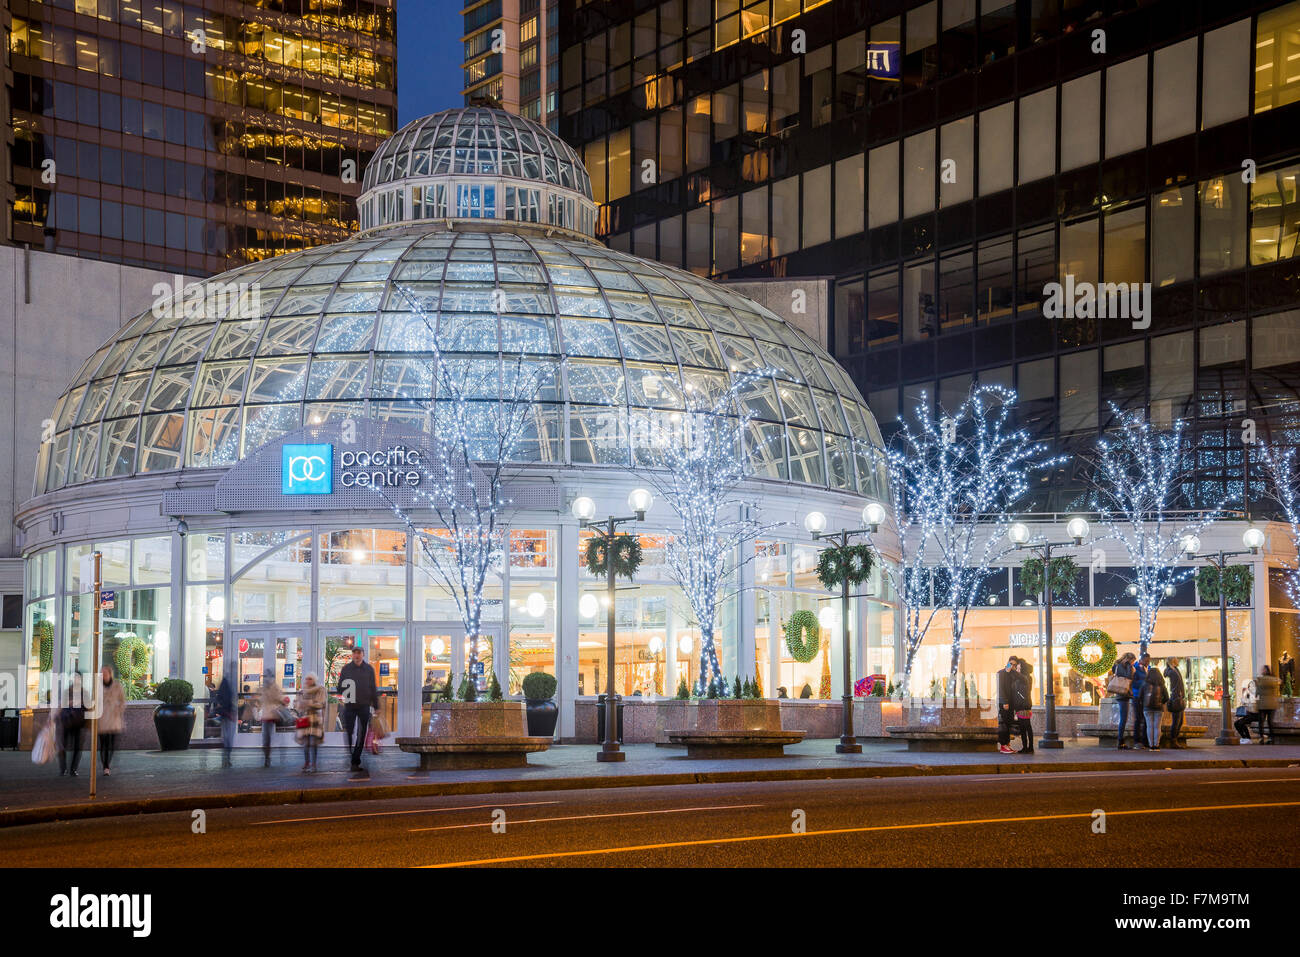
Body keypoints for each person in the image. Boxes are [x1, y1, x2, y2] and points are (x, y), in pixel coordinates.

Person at [337, 645, 378, 773]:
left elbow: (373, 688)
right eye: (354, 653)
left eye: (359, 653)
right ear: (352, 655)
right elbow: (340, 687)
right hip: (350, 705)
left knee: (361, 733)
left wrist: (376, 706)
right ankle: (352, 755)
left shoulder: (369, 669)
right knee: (349, 732)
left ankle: (356, 759)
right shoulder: (346, 669)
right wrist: (344, 693)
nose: (356, 655)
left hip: (364, 706)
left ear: (363, 654)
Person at [257, 669, 290, 768]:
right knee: (267, 737)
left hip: (273, 714)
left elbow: (279, 699)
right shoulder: (265, 688)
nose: (267, 679)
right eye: (265, 677)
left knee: (268, 737)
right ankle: (268, 756)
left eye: (268, 677)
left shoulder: (272, 688)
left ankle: (270, 756)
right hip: (269, 715)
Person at [98, 665, 125, 774]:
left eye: (105, 673)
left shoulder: (117, 686)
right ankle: (106, 766)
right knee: (103, 744)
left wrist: (118, 710)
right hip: (102, 718)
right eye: (102, 673)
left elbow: (122, 701)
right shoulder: (97, 687)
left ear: (110, 674)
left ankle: (107, 763)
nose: (103, 675)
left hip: (114, 719)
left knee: (111, 745)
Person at [296, 672, 326, 772]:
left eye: (310, 679)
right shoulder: (302, 691)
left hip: (315, 719)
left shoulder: (320, 690)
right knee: (306, 743)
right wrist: (302, 705)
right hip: (305, 719)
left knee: (313, 743)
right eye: (307, 679)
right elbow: (298, 706)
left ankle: (313, 764)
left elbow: (320, 704)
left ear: (314, 680)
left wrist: (308, 703)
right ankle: (307, 763)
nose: (308, 681)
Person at [58, 672, 86, 776]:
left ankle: (73, 769)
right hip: (67, 721)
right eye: (74, 678)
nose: (76, 680)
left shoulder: (84, 692)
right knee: (63, 745)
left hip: (78, 722)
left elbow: (88, 706)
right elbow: (62, 705)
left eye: (77, 678)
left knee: (77, 747)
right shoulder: (67, 691)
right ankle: (63, 768)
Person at [1110, 652, 1137, 749]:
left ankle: (1121, 741)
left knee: (1123, 719)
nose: (1134, 663)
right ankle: (1120, 741)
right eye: (1133, 661)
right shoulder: (1124, 666)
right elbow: (1128, 677)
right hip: (1122, 694)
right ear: (1129, 659)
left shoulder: (1117, 665)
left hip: (1121, 694)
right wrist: (1130, 667)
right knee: (1123, 719)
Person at [1141, 664, 1168, 751]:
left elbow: (1140, 696)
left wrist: (1144, 703)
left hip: (1147, 708)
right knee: (1157, 727)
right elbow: (1167, 697)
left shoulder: (1145, 684)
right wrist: (1161, 702)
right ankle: (1156, 745)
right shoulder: (1162, 685)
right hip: (1159, 708)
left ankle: (1151, 745)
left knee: (1149, 726)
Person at [996, 657, 1020, 755]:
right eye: (1011, 664)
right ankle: (1003, 745)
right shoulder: (1002, 673)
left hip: (1011, 703)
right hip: (1004, 703)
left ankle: (1007, 744)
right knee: (1004, 724)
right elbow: (1001, 688)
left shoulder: (1013, 674)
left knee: (1009, 723)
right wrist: (1005, 701)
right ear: (1007, 663)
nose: (1012, 666)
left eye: (1014, 665)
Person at [1162, 657, 1186, 748]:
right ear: (1173, 661)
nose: (1178, 661)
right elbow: (1173, 686)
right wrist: (1176, 695)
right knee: (1176, 721)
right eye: (1176, 659)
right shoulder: (1171, 672)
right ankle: (1173, 741)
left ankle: (1175, 739)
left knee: (1179, 722)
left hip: (1179, 697)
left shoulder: (1175, 670)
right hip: (1175, 698)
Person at [213, 674, 236, 767]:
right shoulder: (229, 687)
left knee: (226, 736)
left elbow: (220, 699)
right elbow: (228, 700)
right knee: (228, 736)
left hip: (224, 714)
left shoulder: (223, 686)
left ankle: (226, 756)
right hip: (228, 714)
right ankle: (227, 756)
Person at [1013, 657, 1034, 754]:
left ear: (1022, 668)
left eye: (1018, 667)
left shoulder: (1026, 678)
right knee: (1024, 727)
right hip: (1021, 705)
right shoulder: (1023, 677)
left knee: (1025, 726)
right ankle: (1027, 747)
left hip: (1024, 705)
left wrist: (1012, 670)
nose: (1016, 669)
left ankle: (1028, 747)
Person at [1255, 665, 1281, 743]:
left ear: (1265, 670)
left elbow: (1257, 693)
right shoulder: (1274, 680)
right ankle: (1271, 738)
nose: (1261, 670)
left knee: (1261, 722)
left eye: (1263, 669)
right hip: (1272, 703)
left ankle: (1261, 738)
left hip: (1262, 704)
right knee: (1270, 722)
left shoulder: (1260, 680)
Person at [1130, 653, 1151, 750]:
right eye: (1146, 661)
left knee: (1146, 719)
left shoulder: (1149, 669)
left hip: (1146, 697)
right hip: (1137, 696)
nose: (1147, 662)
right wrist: (1145, 682)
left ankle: (1145, 741)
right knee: (1138, 719)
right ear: (1141, 660)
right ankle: (1137, 741)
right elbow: (1133, 682)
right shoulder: (1135, 668)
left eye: (1149, 661)